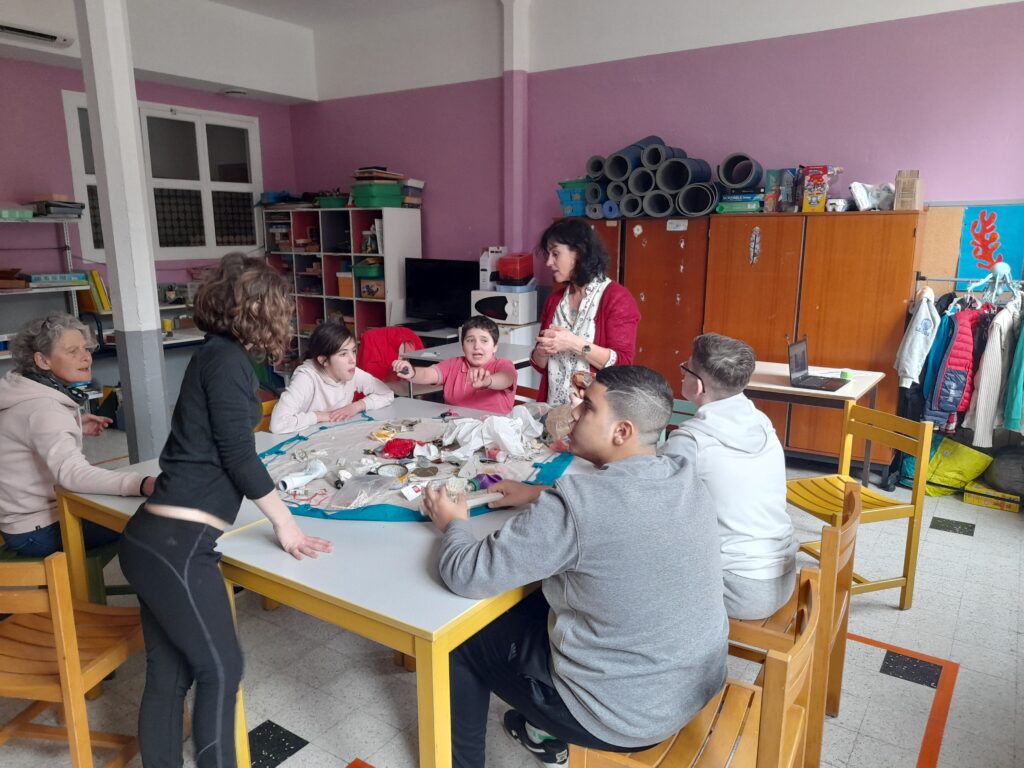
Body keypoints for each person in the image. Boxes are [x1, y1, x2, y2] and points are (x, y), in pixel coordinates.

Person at [422, 365, 727, 768]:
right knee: (536, 600)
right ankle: (538, 730)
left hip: (620, 716)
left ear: (622, 432)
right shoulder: (683, 474)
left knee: (459, 637)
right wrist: (537, 495)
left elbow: (467, 573)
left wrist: (453, 524)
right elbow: (621, 512)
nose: (576, 411)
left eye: (589, 407)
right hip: (690, 685)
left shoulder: (580, 502)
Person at [118, 254, 332, 768]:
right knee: (221, 670)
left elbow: (225, 450)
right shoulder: (230, 361)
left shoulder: (215, 354)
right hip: (178, 549)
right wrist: (286, 524)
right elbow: (239, 456)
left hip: (150, 541)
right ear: (258, 310)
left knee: (169, 679)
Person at [662, 333, 796, 620]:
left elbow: (653, 504)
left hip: (738, 589)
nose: (682, 371)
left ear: (697, 385)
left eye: (685, 367)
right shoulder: (760, 420)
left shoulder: (691, 442)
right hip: (781, 577)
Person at [0, 313, 156, 557]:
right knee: (161, 518)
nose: (86, 357)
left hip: (18, 522)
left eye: (86, 349)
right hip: (39, 530)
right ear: (42, 360)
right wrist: (142, 483)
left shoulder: (20, 391)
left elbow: (24, 433)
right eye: (72, 351)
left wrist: (74, 424)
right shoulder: (45, 411)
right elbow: (73, 475)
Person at [531, 218, 640, 405]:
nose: (549, 262)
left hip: (594, 414)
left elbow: (622, 362)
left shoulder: (616, 298)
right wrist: (541, 351)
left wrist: (574, 343)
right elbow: (541, 366)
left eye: (555, 253)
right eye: (548, 254)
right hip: (554, 411)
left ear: (579, 253)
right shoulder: (555, 300)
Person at [269, 320, 394, 433]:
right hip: (305, 441)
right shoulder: (306, 378)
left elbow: (387, 394)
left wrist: (356, 406)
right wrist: (320, 416)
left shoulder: (351, 371)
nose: (352, 360)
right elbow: (278, 424)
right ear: (324, 360)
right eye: (343, 354)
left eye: (354, 351)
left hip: (335, 434)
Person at [392, 315, 517, 413]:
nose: (477, 346)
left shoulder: (502, 364)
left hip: (494, 434)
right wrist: (412, 372)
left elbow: (506, 379)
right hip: (456, 428)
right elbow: (428, 373)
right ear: (462, 346)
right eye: (470, 340)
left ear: (495, 346)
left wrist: (488, 381)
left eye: (484, 341)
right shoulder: (453, 364)